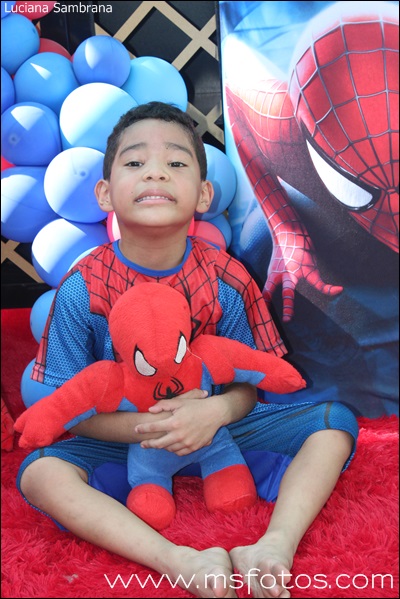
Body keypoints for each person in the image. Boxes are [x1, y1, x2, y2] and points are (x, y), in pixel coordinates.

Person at [17, 101, 358, 599]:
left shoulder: (226, 277)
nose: (155, 172)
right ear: (105, 193)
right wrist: (155, 427)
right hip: (127, 438)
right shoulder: (82, 287)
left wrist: (213, 412)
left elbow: (249, 382)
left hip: (222, 431)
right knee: (40, 474)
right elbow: (69, 407)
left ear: (203, 194)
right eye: (135, 162)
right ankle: (178, 560)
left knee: (334, 423)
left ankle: (274, 546)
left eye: (176, 162)